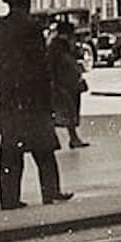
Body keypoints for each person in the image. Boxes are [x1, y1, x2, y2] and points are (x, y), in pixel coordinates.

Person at [0, 0, 72, 209]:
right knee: (44, 149)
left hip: (8, 100)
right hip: (33, 99)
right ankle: (51, 192)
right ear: (26, 2)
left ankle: (9, 199)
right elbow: (41, 67)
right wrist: (48, 100)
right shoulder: (32, 29)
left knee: (10, 150)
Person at [46, 19, 90, 148]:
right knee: (66, 111)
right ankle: (73, 138)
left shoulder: (63, 45)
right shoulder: (58, 46)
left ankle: (73, 138)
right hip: (63, 83)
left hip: (69, 83)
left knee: (69, 111)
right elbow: (58, 64)